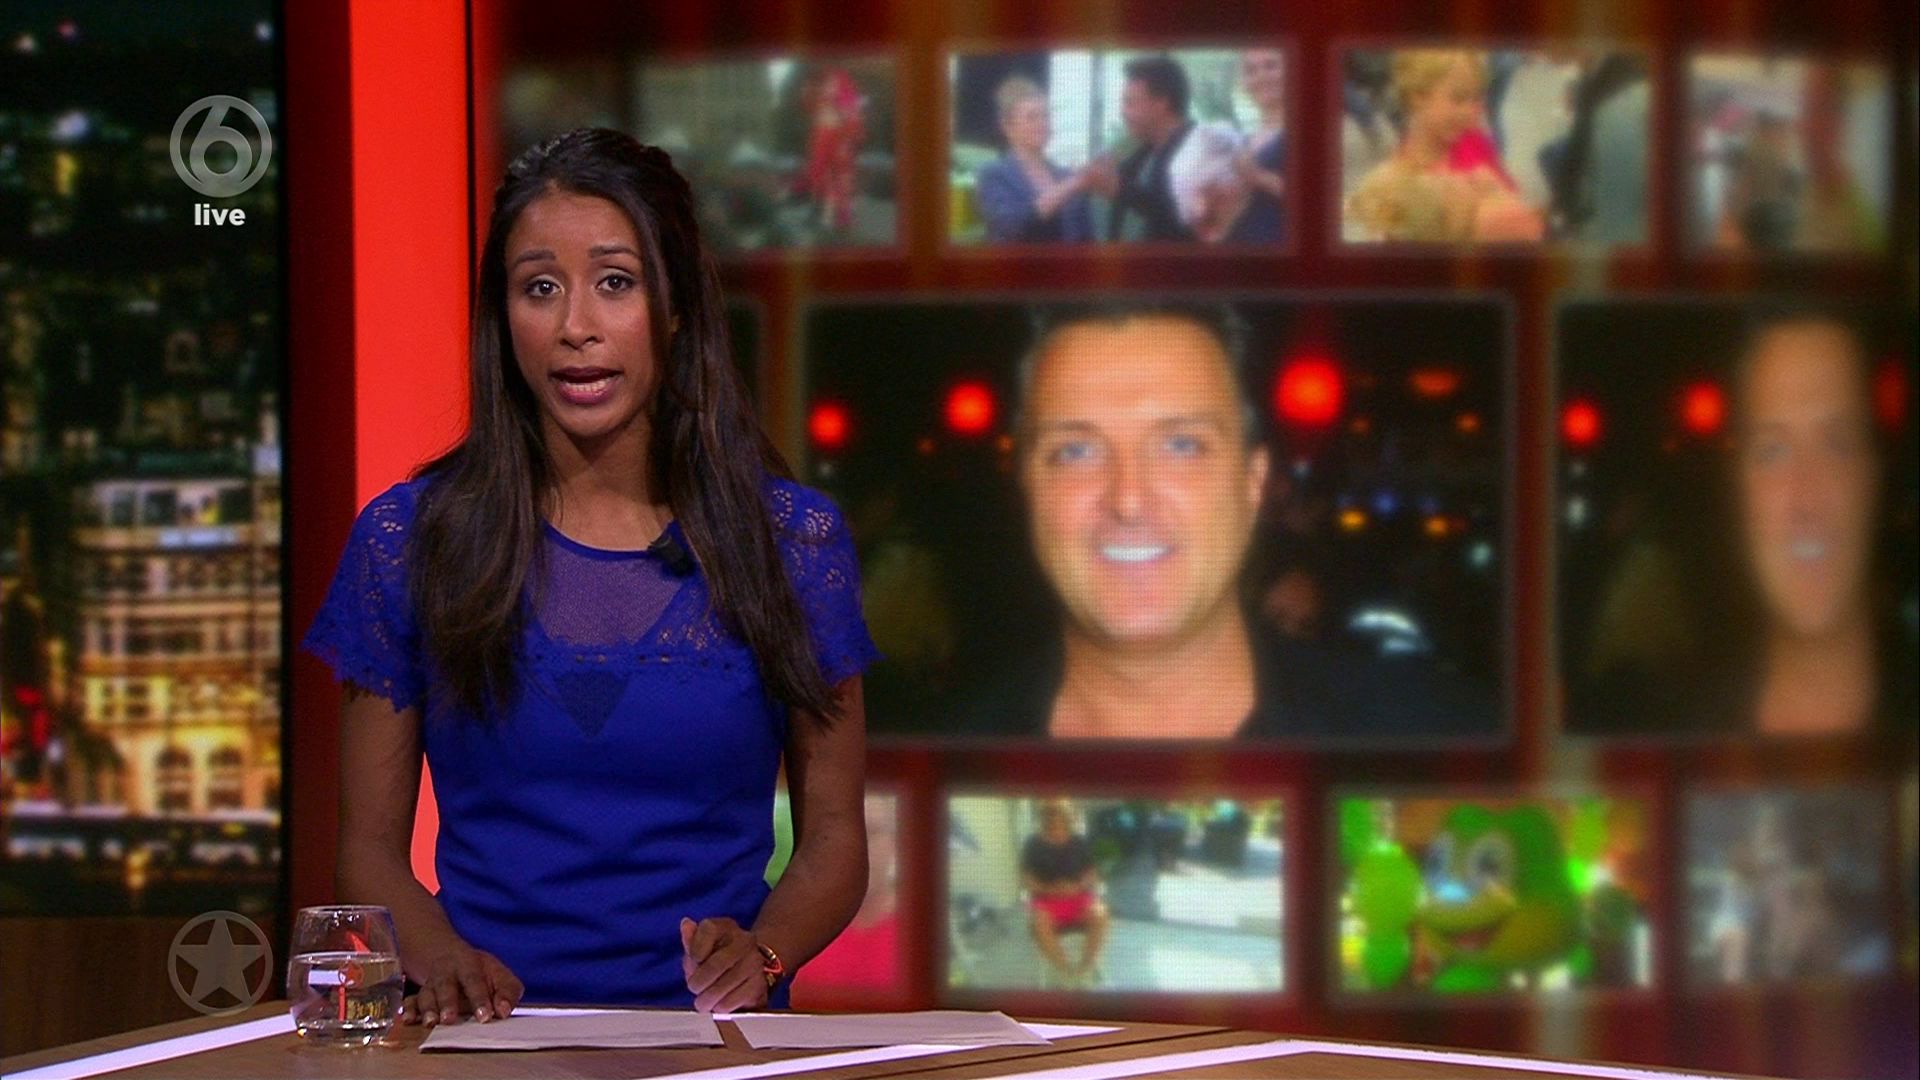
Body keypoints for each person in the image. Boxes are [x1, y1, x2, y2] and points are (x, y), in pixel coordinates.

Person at [301, 129, 879, 1021]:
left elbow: (835, 836)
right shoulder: (410, 541)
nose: (576, 326)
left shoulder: (790, 544)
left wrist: (763, 953)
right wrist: (442, 959)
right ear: (504, 319)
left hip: (714, 1047)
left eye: (616, 282)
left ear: (676, 307)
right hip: (488, 1040)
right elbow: (368, 851)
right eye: (540, 288)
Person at [957, 301, 1493, 739]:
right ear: (1026, 485)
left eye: (1182, 445)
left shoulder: (1444, 738)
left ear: (1253, 483)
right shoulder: (947, 750)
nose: (1128, 500)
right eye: (1075, 452)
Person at [1345, 49, 1546, 244]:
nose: (1470, 112)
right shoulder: (1397, 185)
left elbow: (1516, 205)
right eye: (1458, 99)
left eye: (1476, 99)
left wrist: (1497, 192)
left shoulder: (1473, 140)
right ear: (1418, 96)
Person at [1085, 56, 1198, 242]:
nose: (1123, 112)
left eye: (1130, 103)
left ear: (1161, 102)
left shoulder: (1199, 151)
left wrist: (1120, 189)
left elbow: (1182, 219)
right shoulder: (1142, 150)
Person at [973, 76, 1096, 244]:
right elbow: (1011, 227)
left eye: (1045, 115)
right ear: (1007, 127)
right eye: (1032, 117)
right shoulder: (993, 175)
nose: (1042, 123)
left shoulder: (1067, 176)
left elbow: (1087, 239)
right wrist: (1070, 187)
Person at [1021, 799, 1109, 987]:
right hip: (1046, 903)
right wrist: (1050, 890)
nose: (1055, 821)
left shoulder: (1079, 842)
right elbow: (1027, 881)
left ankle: (1085, 969)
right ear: (1043, 818)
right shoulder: (1033, 844)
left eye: (1060, 816)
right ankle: (1066, 972)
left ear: (1068, 818)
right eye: (1050, 816)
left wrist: (1077, 887)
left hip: (1079, 899)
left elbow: (1092, 874)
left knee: (1100, 914)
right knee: (1038, 922)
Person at [1223, 47, 1288, 245]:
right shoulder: (1243, 139)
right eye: (1250, 71)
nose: (1261, 76)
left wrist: (1259, 177)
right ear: (1243, 83)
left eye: (1271, 66)